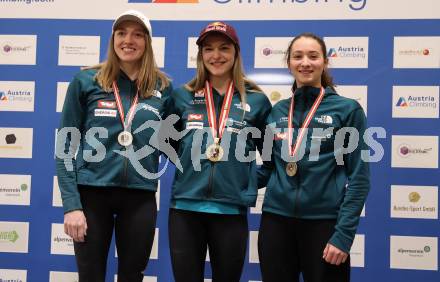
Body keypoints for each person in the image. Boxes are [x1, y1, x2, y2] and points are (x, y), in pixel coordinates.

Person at [55, 10, 172, 282]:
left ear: (147, 42)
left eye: (137, 34)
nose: (128, 40)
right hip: (92, 196)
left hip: (140, 197)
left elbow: (178, 140)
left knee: (132, 276)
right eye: (121, 33)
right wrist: (72, 205)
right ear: (113, 38)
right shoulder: (86, 81)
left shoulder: (163, 87)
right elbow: (65, 148)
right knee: (90, 275)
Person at [257, 32, 370, 282]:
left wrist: (343, 235)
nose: (305, 62)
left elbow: (360, 178)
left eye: (313, 56)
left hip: (324, 225)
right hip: (276, 223)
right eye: (298, 56)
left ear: (324, 62)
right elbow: (266, 168)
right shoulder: (277, 111)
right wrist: (227, 177)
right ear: (289, 63)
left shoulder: (347, 110)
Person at [164, 22, 272, 282]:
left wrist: (246, 183)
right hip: (185, 211)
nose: (216, 56)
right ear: (201, 55)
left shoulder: (256, 101)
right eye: (209, 49)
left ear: (236, 53)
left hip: (230, 212)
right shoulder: (182, 97)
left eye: (224, 48)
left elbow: (271, 159)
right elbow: (165, 142)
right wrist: (189, 169)